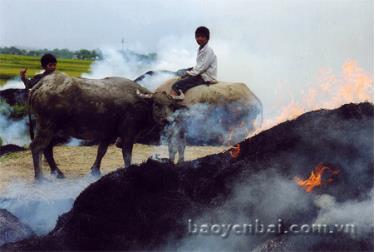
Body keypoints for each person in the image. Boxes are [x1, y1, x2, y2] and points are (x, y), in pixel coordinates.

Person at [171, 26, 217, 96]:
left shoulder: (209, 51)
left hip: (206, 76)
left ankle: (173, 101)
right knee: (181, 71)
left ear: (207, 38)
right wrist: (189, 71)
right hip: (201, 72)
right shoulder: (201, 49)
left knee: (176, 86)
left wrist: (189, 73)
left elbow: (202, 68)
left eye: (202, 36)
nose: (199, 39)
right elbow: (199, 65)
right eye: (197, 37)